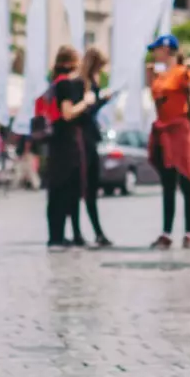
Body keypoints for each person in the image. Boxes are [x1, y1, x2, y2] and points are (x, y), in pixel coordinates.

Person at [146, 34, 190, 249]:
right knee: (168, 185)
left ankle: (189, 233)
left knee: (186, 183)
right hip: (163, 132)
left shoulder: (182, 72)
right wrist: (150, 77)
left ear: (167, 49)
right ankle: (167, 233)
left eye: (157, 49)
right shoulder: (159, 75)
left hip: (180, 131)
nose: (154, 52)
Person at [44, 46, 94, 250]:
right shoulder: (66, 84)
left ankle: (57, 235)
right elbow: (67, 113)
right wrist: (86, 102)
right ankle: (60, 236)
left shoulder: (53, 83)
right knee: (67, 188)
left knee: (57, 189)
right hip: (67, 143)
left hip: (56, 142)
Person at [75, 46, 113, 247]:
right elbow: (85, 112)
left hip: (91, 137)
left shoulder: (92, 82)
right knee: (85, 187)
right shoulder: (82, 84)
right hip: (84, 139)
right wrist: (100, 101)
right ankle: (80, 231)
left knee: (91, 187)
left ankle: (96, 231)